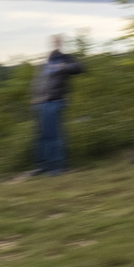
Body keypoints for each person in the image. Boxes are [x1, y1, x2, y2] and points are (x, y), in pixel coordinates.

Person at [29, 35, 84, 176]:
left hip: (55, 101)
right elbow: (38, 81)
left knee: (54, 136)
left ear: (61, 43)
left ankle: (58, 167)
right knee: (42, 137)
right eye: (53, 41)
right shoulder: (44, 63)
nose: (55, 43)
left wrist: (63, 66)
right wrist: (34, 97)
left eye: (58, 41)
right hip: (41, 103)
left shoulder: (65, 58)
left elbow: (79, 68)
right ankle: (43, 166)